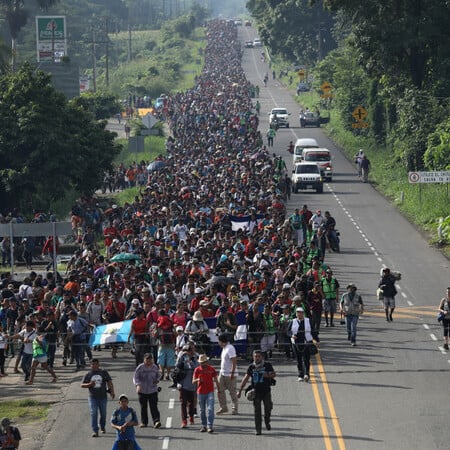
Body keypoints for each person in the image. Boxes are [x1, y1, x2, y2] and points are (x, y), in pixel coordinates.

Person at [237, 350, 276, 435]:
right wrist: (240, 390)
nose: (257, 358)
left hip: (266, 391)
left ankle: (267, 420)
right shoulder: (251, 367)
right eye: (255, 356)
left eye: (258, 356)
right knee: (257, 411)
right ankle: (258, 429)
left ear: (262, 357)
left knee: (268, 408)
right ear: (253, 357)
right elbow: (245, 378)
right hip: (256, 392)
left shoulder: (267, 365)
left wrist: (267, 375)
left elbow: (273, 374)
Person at [81, 358, 115, 437]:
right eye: (93, 364)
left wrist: (112, 391)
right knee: (94, 413)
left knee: (103, 414)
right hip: (92, 397)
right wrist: (89, 384)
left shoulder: (103, 372)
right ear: (90, 365)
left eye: (96, 364)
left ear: (99, 365)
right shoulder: (88, 374)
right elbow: (82, 385)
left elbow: (109, 382)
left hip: (103, 397)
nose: (94, 366)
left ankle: (102, 427)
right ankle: (95, 430)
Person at [132, 353, 162, 429]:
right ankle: (144, 422)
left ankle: (156, 421)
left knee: (154, 406)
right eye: (147, 359)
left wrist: (157, 380)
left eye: (150, 359)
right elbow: (136, 377)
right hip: (142, 390)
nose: (149, 361)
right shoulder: (140, 367)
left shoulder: (155, 367)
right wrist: (138, 385)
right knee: (143, 407)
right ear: (144, 360)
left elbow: (159, 375)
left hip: (152, 390)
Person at [192, 353, 219, 433]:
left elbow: (216, 379)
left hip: (210, 391)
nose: (203, 364)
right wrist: (198, 380)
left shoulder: (211, 369)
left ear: (207, 362)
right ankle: (204, 425)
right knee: (202, 410)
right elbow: (193, 381)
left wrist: (218, 388)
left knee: (210, 409)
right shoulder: (197, 370)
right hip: (200, 392)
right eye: (201, 362)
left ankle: (210, 426)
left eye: (204, 362)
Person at [176, 344, 199, 428]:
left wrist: (190, 362)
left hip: (192, 384)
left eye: (188, 351)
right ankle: (184, 420)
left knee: (191, 403)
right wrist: (180, 359)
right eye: (184, 351)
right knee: (183, 403)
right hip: (183, 384)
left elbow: (197, 369)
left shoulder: (194, 358)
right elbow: (176, 369)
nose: (186, 353)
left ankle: (191, 417)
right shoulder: (181, 358)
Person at [216, 334, 239, 415]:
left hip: (229, 374)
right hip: (222, 373)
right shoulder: (224, 348)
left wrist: (232, 373)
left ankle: (235, 408)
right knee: (220, 390)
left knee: (232, 391)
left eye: (219, 341)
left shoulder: (230, 348)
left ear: (222, 341)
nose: (218, 343)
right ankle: (223, 407)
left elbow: (234, 361)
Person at [290, 307, 314, 382]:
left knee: (306, 359)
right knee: (299, 360)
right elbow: (288, 331)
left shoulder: (308, 320)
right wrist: (292, 335)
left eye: (301, 312)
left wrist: (317, 340)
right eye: (298, 312)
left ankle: (307, 374)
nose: (299, 314)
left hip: (306, 342)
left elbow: (313, 330)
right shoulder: (292, 321)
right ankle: (300, 374)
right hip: (296, 343)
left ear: (303, 313)